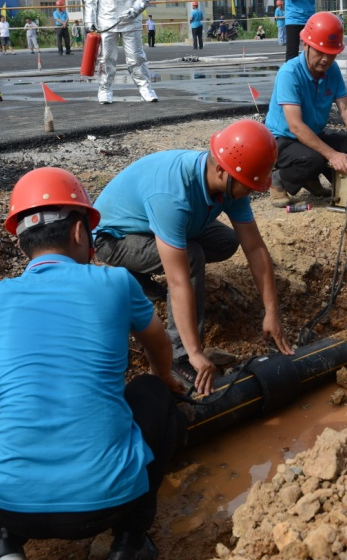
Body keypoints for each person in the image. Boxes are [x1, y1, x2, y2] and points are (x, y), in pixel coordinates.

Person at [0, 167, 185, 560]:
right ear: (77, 232)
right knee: (152, 393)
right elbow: (159, 346)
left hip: (10, 506)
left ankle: (4, 543)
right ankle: (129, 541)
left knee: (8, 412)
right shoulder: (114, 281)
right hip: (103, 504)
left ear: (21, 239)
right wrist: (164, 377)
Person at [92, 120, 292, 396]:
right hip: (114, 238)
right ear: (223, 170)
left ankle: (139, 278)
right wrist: (195, 351)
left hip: (157, 226)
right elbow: (177, 281)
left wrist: (272, 312)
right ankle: (178, 356)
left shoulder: (231, 178)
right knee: (190, 257)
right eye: (247, 186)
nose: (250, 192)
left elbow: (255, 248)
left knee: (226, 242)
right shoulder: (173, 193)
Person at [266, 11, 347, 207]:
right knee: (313, 159)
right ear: (305, 45)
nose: (325, 59)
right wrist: (331, 154)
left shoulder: (332, 70)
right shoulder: (289, 73)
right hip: (283, 140)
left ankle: (317, 180)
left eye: (331, 54)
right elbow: (296, 126)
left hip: (313, 134)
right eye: (319, 52)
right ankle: (278, 179)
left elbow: (346, 109)